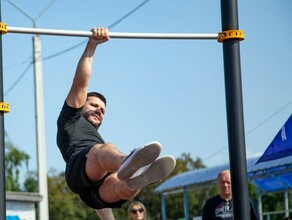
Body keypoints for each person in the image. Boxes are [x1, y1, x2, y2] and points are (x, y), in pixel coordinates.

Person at [56, 27, 176, 219]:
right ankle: (128, 161)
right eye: (94, 105)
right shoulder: (70, 117)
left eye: (103, 110)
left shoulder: (96, 138)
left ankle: (136, 178)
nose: (99, 110)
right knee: (103, 150)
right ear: (81, 104)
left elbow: (102, 206)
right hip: (77, 168)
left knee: (122, 186)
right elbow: (81, 82)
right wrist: (92, 45)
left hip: (93, 195)